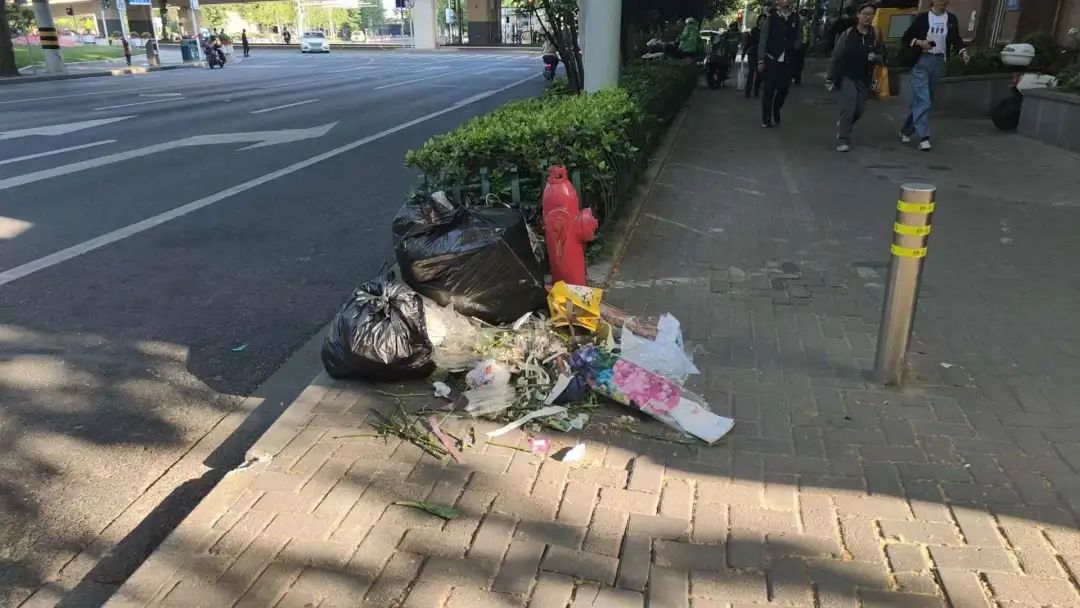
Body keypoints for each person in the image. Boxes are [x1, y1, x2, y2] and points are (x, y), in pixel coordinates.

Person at [900, 0, 970, 151]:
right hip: (921, 61)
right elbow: (906, 37)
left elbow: (955, 38)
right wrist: (920, 42)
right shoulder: (923, 18)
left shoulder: (951, 19)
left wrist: (962, 51)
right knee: (923, 99)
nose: (943, 1)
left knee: (924, 100)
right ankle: (924, 138)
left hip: (938, 61)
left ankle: (906, 130)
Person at [827, 2, 884, 152]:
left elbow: (883, 54)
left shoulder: (875, 33)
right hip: (848, 76)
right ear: (858, 15)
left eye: (871, 14)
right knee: (848, 108)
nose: (868, 17)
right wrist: (830, 77)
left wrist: (875, 57)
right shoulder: (848, 34)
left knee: (859, 109)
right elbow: (836, 56)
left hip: (865, 78)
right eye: (865, 14)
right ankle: (842, 139)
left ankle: (844, 125)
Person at [757, 0, 801, 127]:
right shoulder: (771, 19)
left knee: (784, 89)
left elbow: (799, 36)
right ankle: (766, 118)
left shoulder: (795, 18)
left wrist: (797, 45)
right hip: (771, 60)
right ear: (778, 2)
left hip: (787, 61)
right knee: (768, 91)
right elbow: (763, 40)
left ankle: (776, 108)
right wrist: (761, 60)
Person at [742, 14, 766, 98]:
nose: (762, 21)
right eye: (761, 19)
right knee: (751, 73)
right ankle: (748, 91)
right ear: (758, 21)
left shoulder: (767, 31)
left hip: (762, 55)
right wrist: (743, 53)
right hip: (753, 54)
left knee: (759, 74)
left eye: (764, 19)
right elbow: (748, 42)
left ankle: (756, 91)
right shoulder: (754, 30)